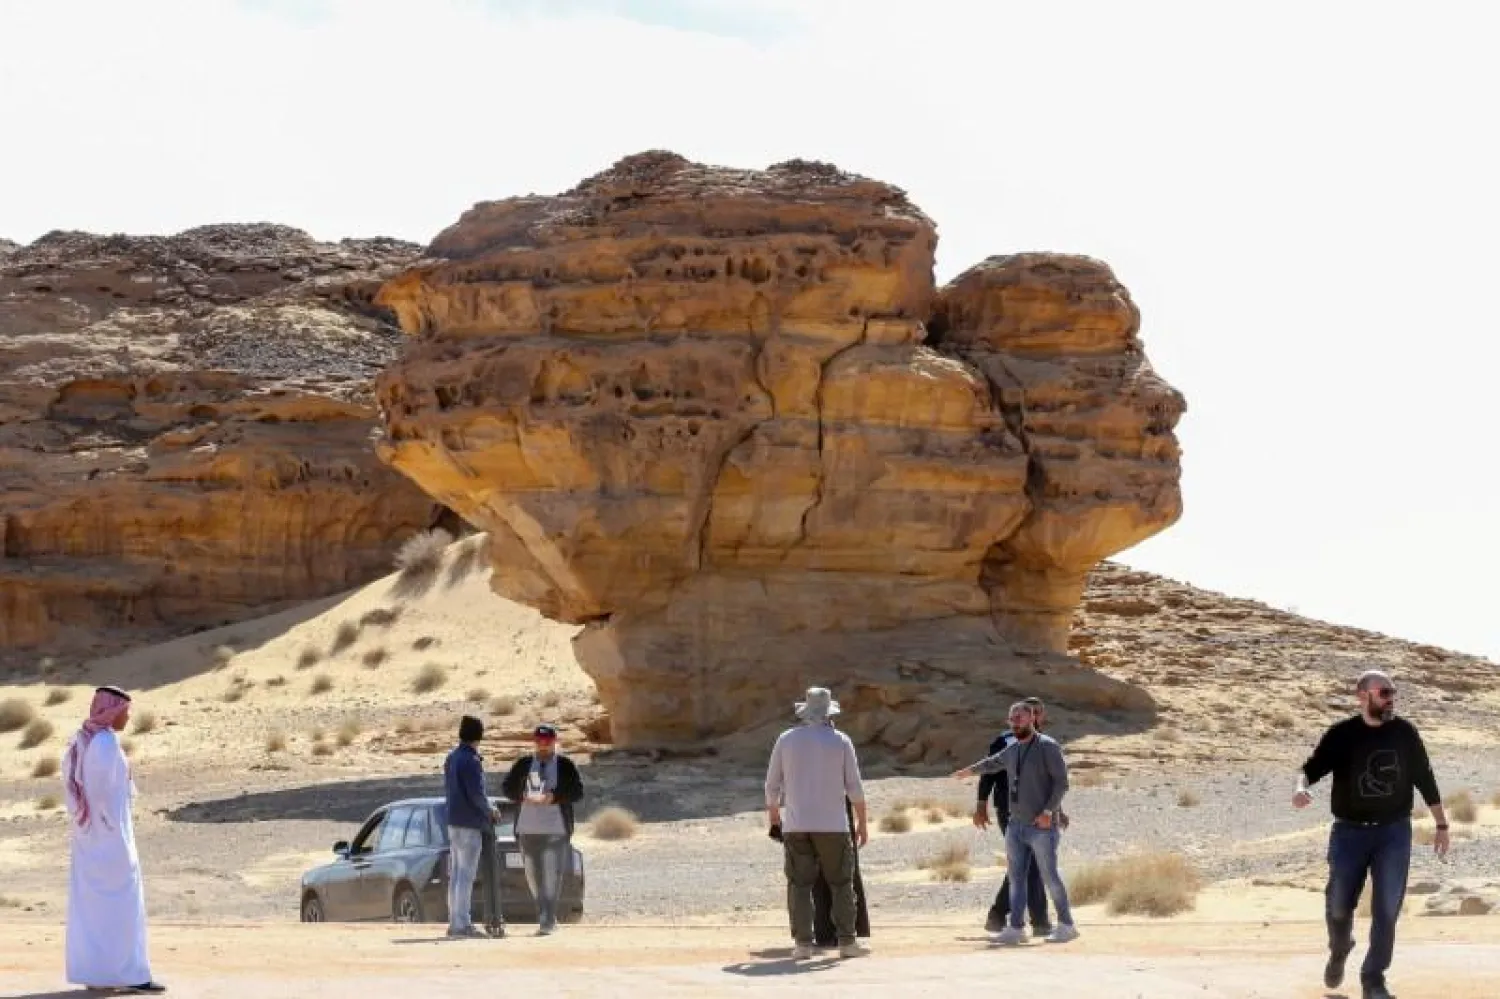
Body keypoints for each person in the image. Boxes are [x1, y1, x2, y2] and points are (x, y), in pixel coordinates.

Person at [1294, 669, 1449, 999]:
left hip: (1393, 832)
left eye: (1393, 692)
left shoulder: (1405, 733)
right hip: (1349, 833)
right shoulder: (1342, 735)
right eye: (1384, 693)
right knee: (1338, 905)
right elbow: (1310, 769)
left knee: (1387, 907)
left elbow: (1425, 777)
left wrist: (1442, 825)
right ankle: (1340, 947)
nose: (1390, 698)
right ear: (1362, 696)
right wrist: (1301, 789)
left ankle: (1373, 978)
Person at [62, 685, 165, 994]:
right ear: (111, 711)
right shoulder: (104, 743)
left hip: (89, 839)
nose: (128, 717)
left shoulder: (83, 739)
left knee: (93, 908)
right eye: (124, 711)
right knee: (124, 905)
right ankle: (132, 975)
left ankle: (97, 973)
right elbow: (103, 795)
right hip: (110, 839)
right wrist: (114, 835)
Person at [951, 700, 1079, 945]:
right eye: (1013, 718)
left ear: (1032, 719)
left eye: (1020, 717)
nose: (1016, 721)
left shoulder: (1048, 747)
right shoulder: (1012, 749)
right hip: (1015, 825)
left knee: (1049, 875)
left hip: (1041, 827)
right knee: (1016, 877)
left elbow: (1061, 783)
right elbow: (990, 763)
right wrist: (968, 771)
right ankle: (1016, 927)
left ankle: (1066, 924)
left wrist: (1049, 811)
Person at [764, 686, 871, 960]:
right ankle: (847, 941)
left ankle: (802, 943)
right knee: (841, 882)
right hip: (833, 824)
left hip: (797, 823)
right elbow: (855, 787)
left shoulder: (786, 739)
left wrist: (774, 814)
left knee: (799, 884)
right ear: (829, 713)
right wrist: (862, 822)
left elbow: (772, 784)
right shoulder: (841, 741)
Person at [501, 724, 584, 935]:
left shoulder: (565, 765)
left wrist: (554, 797)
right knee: (532, 875)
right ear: (534, 742)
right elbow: (507, 788)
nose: (544, 746)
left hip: (556, 828)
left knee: (551, 874)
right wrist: (522, 796)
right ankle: (544, 914)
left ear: (555, 741)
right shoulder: (524, 764)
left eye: (547, 742)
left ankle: (548, 918)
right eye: (539, 741)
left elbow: (577, 791)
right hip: (527, 829)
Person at [973, 712, 1052, 936]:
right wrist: (981, 804)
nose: (1034, 718)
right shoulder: (1005, 740)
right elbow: (988, 774)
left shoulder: (1045, 744)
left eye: (1038, 713)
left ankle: (1000, 915)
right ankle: (1038, 921)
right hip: (1009, 809)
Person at [443, 714, 501, 939]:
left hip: (453, 821)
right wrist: (490, 809)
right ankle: (463, 924)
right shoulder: (472, 760)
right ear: (479, 735)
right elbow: (476, 794)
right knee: (465, 875)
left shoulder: (452, 757)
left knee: (456, 874)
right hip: (469, 822)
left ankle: (454, 921)